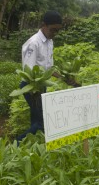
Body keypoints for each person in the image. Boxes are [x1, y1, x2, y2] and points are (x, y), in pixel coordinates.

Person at [16, 10, 64, 143]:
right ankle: (18, 142)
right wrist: (35, 91)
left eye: (57, 31)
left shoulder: (49, 42)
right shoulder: (33, 43)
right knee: (42, 122)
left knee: (36, 119)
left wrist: (63, 78)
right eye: (53, 30)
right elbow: (29, 72)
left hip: (41, 85)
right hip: (31, 87)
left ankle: (33, 144)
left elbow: (48, 68)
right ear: (44, 25)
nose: (55, 34)